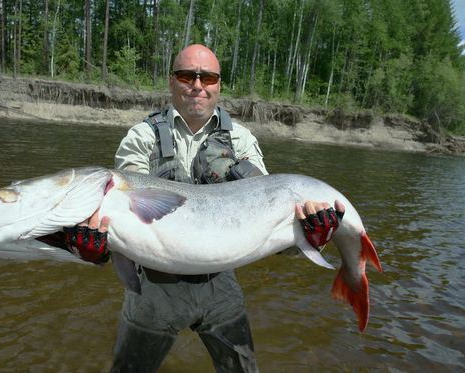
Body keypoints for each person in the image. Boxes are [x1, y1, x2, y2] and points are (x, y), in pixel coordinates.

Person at [64, 44, 344, 372]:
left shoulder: (240, 140)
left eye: (208, 77)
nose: (198, 85)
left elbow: (270, 222)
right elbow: (119, 219)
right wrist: (96, 249)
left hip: (220, 285)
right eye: (187, 75)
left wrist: (311, 237)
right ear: (172, 82)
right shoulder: (141, 138)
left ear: (218, 85)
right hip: (155, 289)